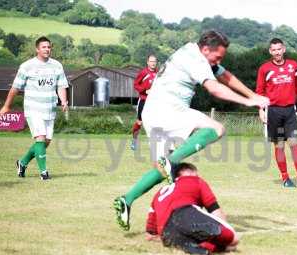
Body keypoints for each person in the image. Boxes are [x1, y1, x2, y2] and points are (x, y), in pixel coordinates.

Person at [114, 30, 269, 231]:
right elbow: (214, 88)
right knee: (216, 128)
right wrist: (248, 101)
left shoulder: (191, 51)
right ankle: (171, 163)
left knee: (163, 172)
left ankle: (127, 200)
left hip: (152, 113)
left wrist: (254, 96)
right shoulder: (197, 60)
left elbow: (224, 75)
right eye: (218, 57)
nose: (218, 61)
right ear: (206, 49)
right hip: (168, 110)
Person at [0, 36, 68, 180]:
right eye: (44, 47)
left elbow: (61, 85)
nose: (47, 49)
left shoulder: (57, 65)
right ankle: (44, 173)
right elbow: (15, 88)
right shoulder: (27, 66)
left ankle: (22, 163)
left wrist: (64, 100)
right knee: (40, 139)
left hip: (50, 109)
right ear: (37, 49)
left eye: (49, 47)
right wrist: (6, 106)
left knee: (45, 142)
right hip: (33, 108)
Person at [145, 162, 238, 255]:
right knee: (232, 239)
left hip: (166, 232)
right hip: (185, 213)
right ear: (188, 172)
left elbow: (150, 235)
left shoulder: (159, 193)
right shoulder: (194, 180)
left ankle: (188, 244)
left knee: (183, 236)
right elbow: (215, 211)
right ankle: (205, 245)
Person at [256, 38, 297, 188]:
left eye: (279, 49)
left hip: (290, 110)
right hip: (273, 111)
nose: (277, 52)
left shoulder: (293, 65)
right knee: (279, 145)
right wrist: (260, 109)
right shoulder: (264, 69)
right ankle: (285, 178)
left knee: (293, 143)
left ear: (284, 49)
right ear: (270, 51)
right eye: (274, 50)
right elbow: (259, 91)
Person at [130, 54, 158, 150]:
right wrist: (144, 91)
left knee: (156, 121)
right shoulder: (143, 72)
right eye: (151, 61)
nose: (153, 63)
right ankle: (134, 141)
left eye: (154, 61)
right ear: (147, 62)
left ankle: (156, 142)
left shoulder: (158, 73)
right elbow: (136, 84)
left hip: (154, 102)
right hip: (144, 100)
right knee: (139, 122)